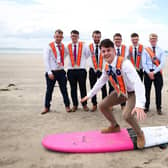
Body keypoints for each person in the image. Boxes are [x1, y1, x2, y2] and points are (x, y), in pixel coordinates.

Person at [81, 39, 146, 149]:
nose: (106, 53)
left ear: (114, 51)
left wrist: (140, 104)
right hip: (121, 92)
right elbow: (101, 81)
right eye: (103, 51)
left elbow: (137, 82)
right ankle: (114, 126)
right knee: (102, 105)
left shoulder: (125, 64)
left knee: (126, 115)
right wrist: (90, 94)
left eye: (108, 50)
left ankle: (140, 134)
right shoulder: (107, 66)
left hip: (132, 93)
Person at [42, 29, 71, 114]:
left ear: (62, 37)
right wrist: (49, 72)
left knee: (64, 90)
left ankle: (67, 106)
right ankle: (47, 107)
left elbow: (66, 53)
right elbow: (46, 60)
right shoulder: (49, 46)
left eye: (60, 37)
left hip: (61, 71)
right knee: (49, 90)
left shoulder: (63, 46)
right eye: (57, 36)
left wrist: (61, 60)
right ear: (54, 37)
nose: (58, 38)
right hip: (52, 71)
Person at [142, 33, 165, 115]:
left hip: (157, 72)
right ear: (149, 40)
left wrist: (154, 72)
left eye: (154, 39)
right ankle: (146, 107)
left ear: (157, 40)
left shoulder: (161, 50)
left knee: (158, 91)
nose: (153, 40)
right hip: (147, 73)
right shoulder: (145, 50)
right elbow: (143, 63)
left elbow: (162, 63)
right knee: (147, 91)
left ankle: (159, 108)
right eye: (151, 39)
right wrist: (149, 72)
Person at [67, 30, 90, 112]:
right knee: (73, 89)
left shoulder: (83, 46)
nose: (74, 37)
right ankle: (75, 105)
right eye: (73, 36)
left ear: (78, 37)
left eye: (76, 36)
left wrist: (81, 62)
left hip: (81, 70)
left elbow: (88, 55)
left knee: (82, 88)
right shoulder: (68, 46)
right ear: (71, 37)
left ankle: (84, 104)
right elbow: (63, 55)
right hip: (71, 70)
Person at [88, 30, 107, 112]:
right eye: (95, 37)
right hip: (92, 70)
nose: (96, 38)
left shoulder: (104, 46)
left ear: (100, 37)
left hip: (102, 69)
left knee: (103, 87)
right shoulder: (88, 47)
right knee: (93, 87)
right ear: (92, 37)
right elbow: (84, 56)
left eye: (98, 37)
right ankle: (94, 104)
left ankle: (105, 105)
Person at [109, 33, 129, 109]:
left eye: (119, 39)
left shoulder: (125, 48)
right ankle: (110, 105)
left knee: (123, 88)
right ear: (113, 40)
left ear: (121, 40)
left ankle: (123, 105)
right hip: (112, 71)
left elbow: (126, 59)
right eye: (116, 39)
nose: (117, 40)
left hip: (122, 71)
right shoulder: (110, 48)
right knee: (111, 88)